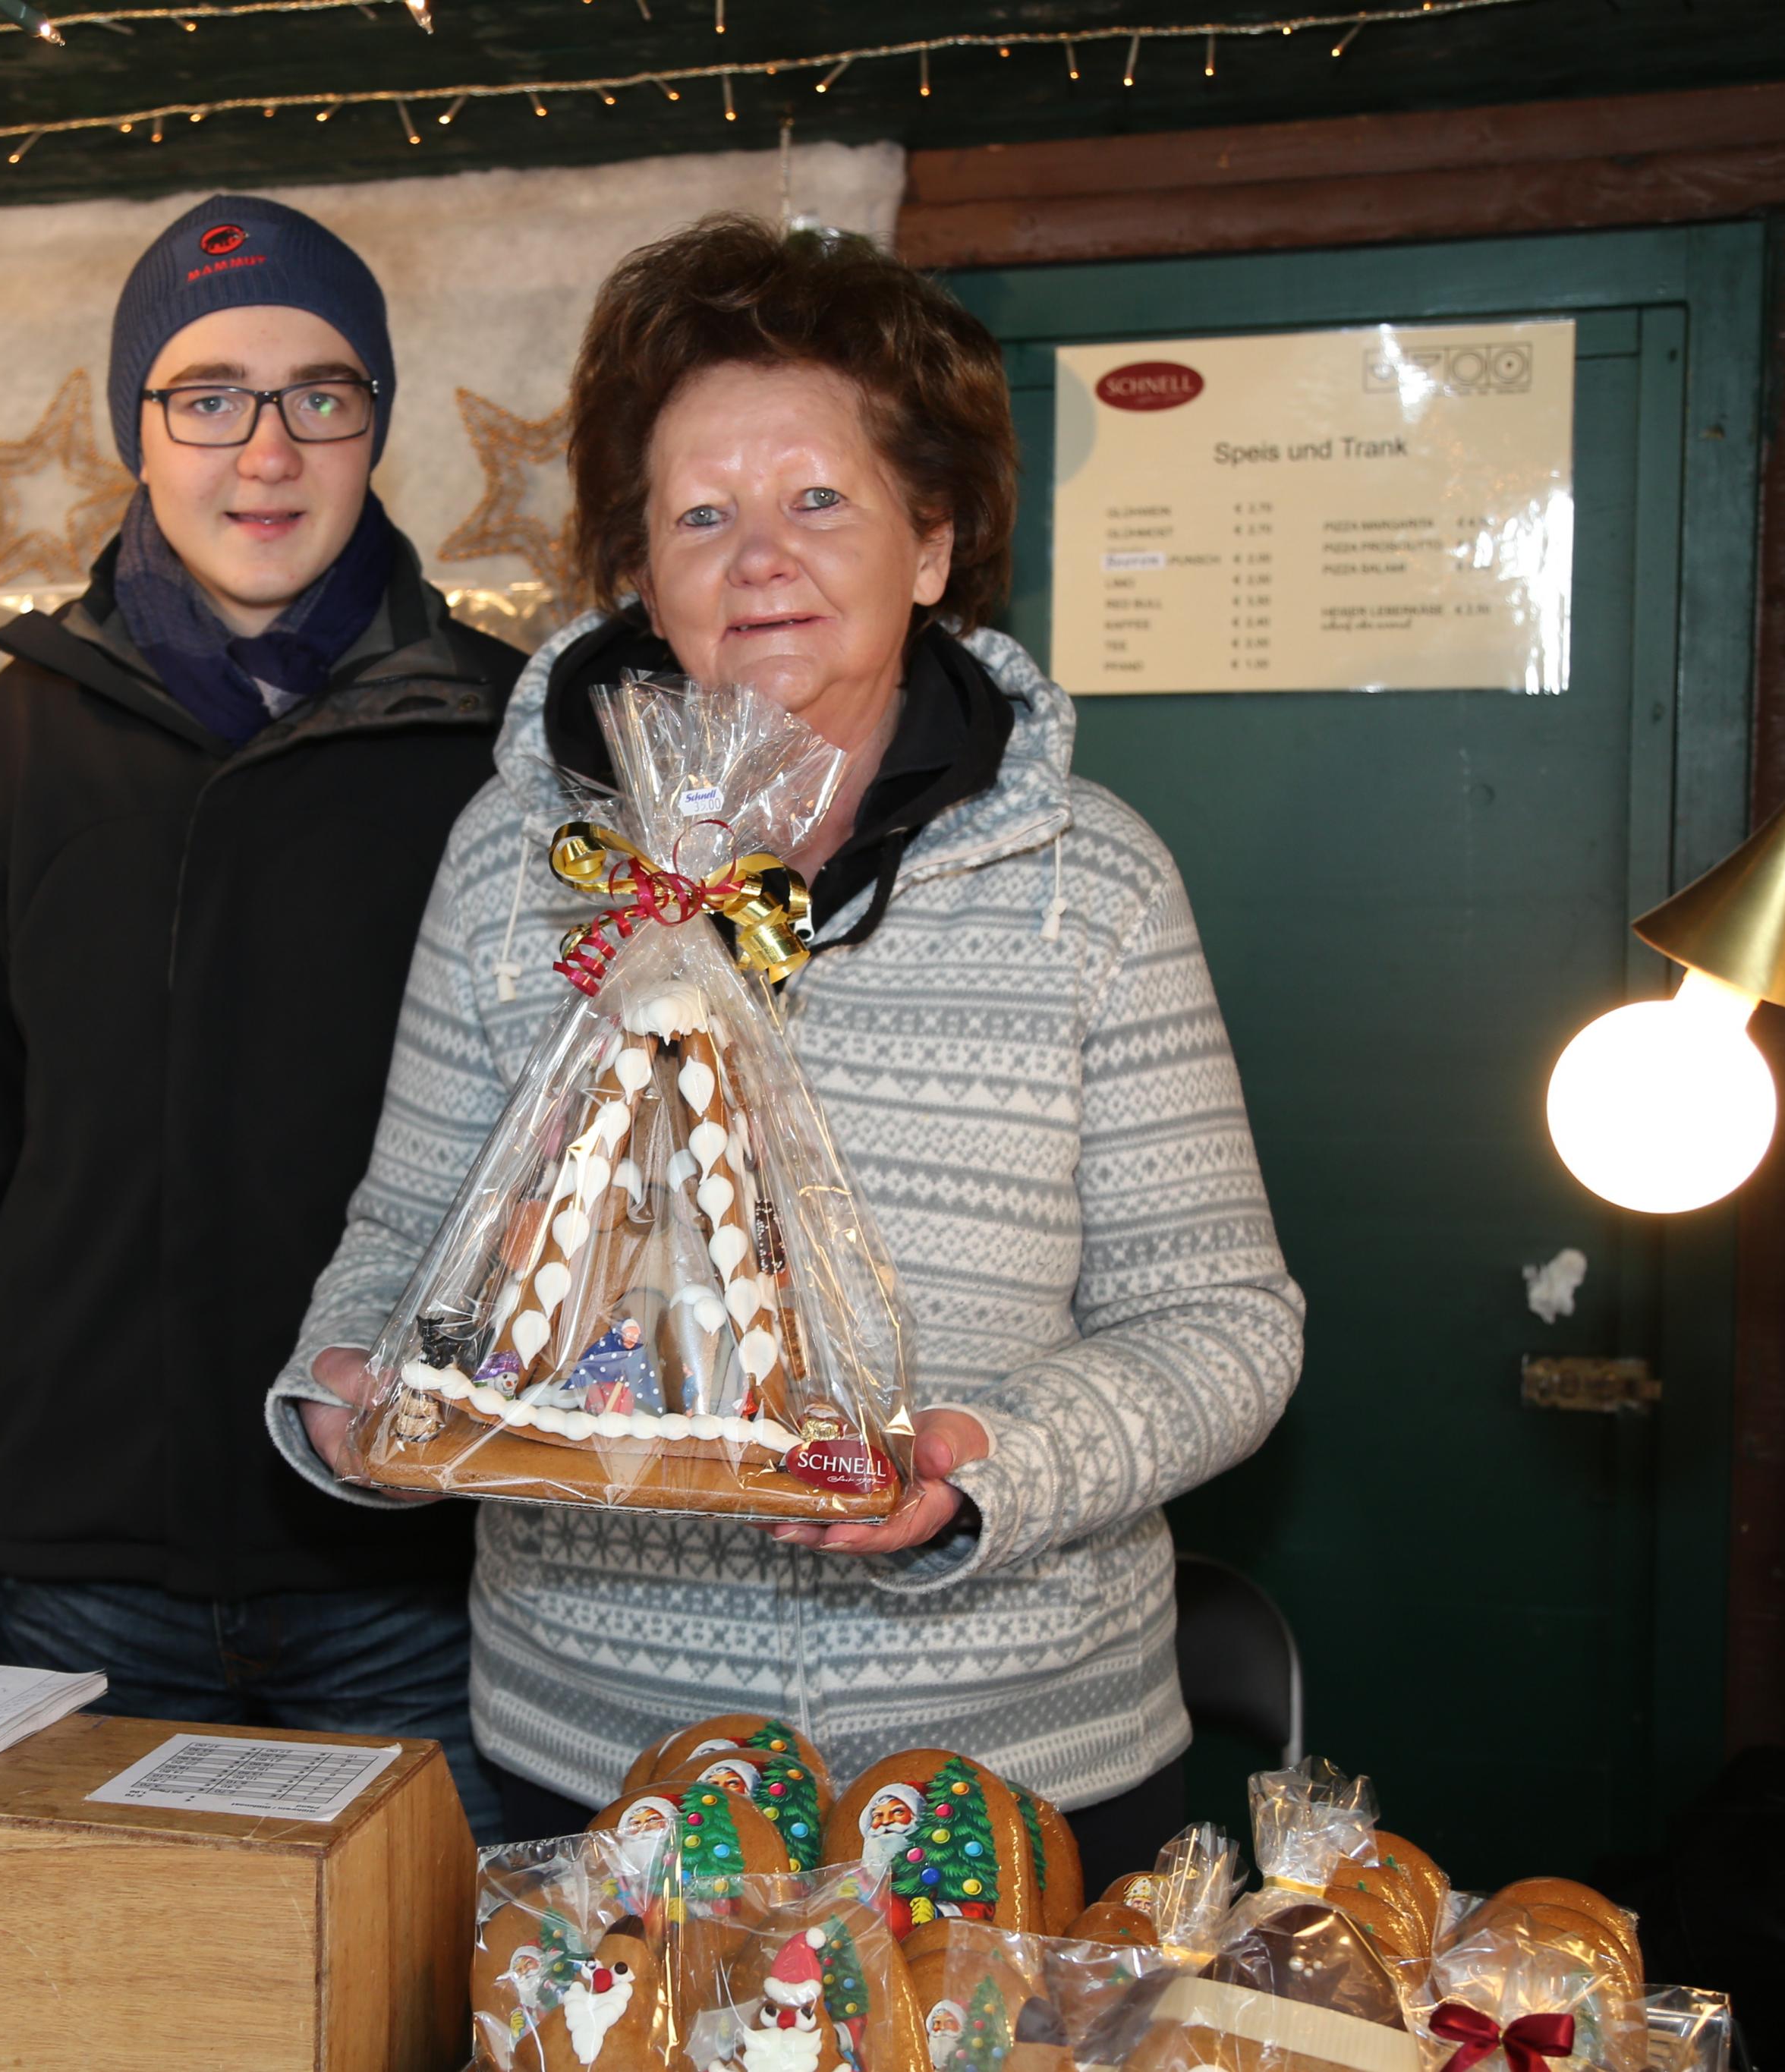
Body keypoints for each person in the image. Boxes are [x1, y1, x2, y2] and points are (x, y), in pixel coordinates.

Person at [265, 216, 1303, 1888]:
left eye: (818, 499)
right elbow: (402, 1234)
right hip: (599, 1757)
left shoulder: (1089, 881)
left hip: (1013, 1769)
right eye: (700, 515)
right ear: (640, 571)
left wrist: (990, 1466)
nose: (758, 560)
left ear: (933, 543)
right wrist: (355, 1385)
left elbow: (1226, 1323)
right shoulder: (518, 863)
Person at [0, 194, 524, 1838]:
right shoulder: (18, 747)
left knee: (434, 1978)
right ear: (134, 431)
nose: (266, 452)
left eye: (319, 395)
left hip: (412, 1571)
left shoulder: (502, 741)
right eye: (209, 396)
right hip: (78, 1585)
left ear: (376, 424)